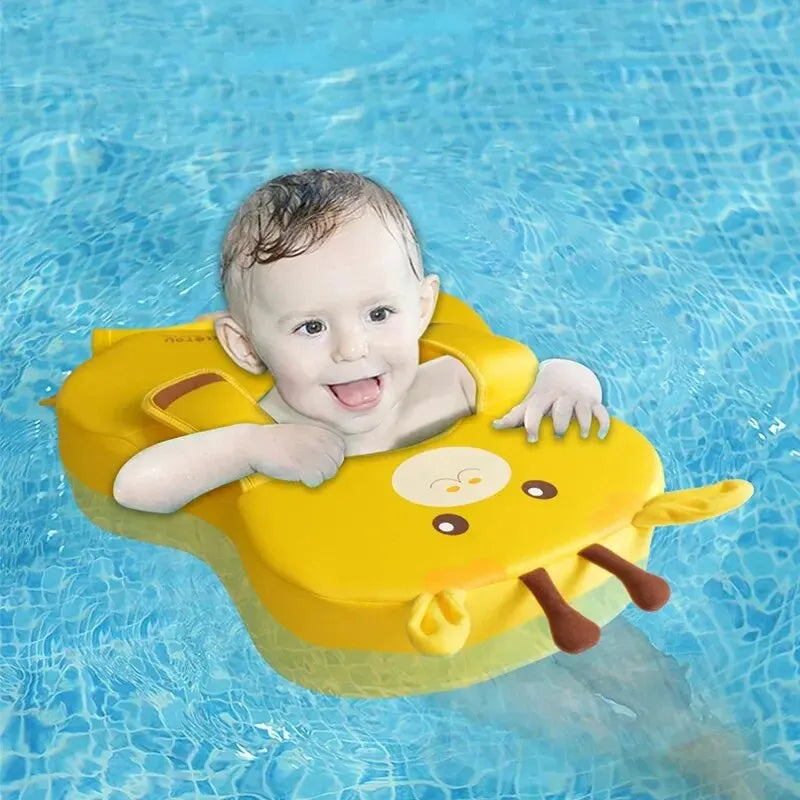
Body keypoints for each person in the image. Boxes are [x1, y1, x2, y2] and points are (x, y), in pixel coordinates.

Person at [113, 169, 609, 513]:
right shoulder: (265, 426)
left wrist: (568, 383)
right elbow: (135, 488)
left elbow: (544, 372)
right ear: (245, 346)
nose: (352, 349)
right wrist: (249, 448)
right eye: (311, 327)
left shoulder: (450, 388)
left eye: (378, 313)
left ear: (420, 307)